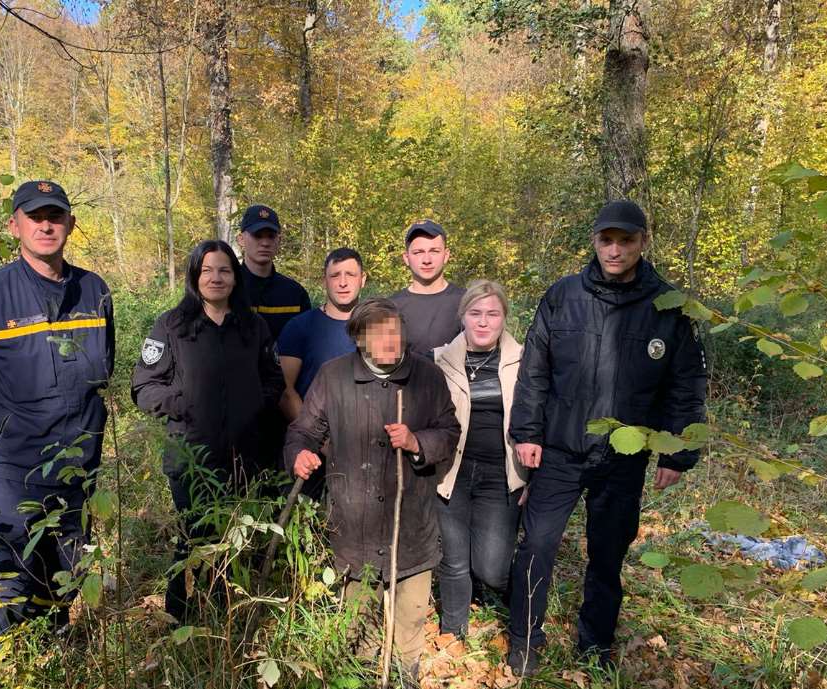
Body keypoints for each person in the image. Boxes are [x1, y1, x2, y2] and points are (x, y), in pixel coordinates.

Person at [506, 200, 708, 676]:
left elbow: (686, 385)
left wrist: (677, 453)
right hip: (558, 448)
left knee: (607, 554)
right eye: (606, 240)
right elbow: (535, 370)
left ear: (643, 242)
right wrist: (527, 431)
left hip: (625, 455)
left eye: (626, 240)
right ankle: (524, 642)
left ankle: (594, 647)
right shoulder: (562, 296)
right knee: (536, 546)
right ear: (594, 241)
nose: (615, 250)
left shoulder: (668, 307)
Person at [0, 180, 115, 639]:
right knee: (10, 570)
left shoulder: (94, 290)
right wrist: (2, 430)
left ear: (71, 224)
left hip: (78, 462)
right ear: (15, 225)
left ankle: (49, 648)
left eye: (55, 216)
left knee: (66, 565)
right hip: (14, 466)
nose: (46, 226)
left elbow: (102, 368)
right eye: (35, 217)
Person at [286, 298, 461, 681]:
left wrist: (418, 442)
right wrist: (299, 454)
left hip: (411, 524)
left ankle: (403, 675)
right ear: (358, 338)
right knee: (357, 624)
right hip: (353, 526)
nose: (389, 341)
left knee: (411, 618)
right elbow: (303, 430)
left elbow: (450, 433)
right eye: (377, 333)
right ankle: (361, 673)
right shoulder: (333, 377)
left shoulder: (427, 377)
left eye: (395, 332)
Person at [131, 239, 284, 621]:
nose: (216, 278)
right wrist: (183, 404)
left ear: (235, 277)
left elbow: (274, 378)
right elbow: (143, 387)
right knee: (193, 540)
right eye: (208, 270)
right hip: (190, 458)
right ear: (195, 276)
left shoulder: (254, 327)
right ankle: (180, 620)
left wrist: (254, 405)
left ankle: (227, 618)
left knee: (236, 540)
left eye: (224, 270)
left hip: (246, 456)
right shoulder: (172, 325)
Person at [432, 280, 528, 640]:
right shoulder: (441, 360)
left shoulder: (524, 361)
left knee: (491, 569)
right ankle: (452, 634)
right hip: (452, 472)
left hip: (501, 476)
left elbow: (538, 421)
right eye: (475, 313)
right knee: (454, 562)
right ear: (463, 317)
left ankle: (522, 608)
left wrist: (532, 477)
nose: (483, 322)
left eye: (492, 313)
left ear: (504, 317)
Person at [276, 248, 365, 497]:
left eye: (350, 274)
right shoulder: (300, 327)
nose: (343, 282)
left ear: (363, 279)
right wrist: (322, 442)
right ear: (324, 280)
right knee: (306, 528)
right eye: (335, 275)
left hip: (364, 452)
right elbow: (285, 390)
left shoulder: (377, 328)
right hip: (310, 452)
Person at [237, 203, 311, 472]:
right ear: (241, 239)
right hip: (235, 404)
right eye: (258, 236)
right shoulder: (227, 288)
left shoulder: (294, 294)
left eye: (271, 236)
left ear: (279, 240)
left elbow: (307, 350)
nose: (265, 242)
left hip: (282, 407)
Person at [390, 219, 465, 357]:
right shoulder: (391, 307)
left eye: (434, 251)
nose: (427, 260)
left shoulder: (466, 302)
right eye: (418, 252)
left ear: (446, 255)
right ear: (406, 258)